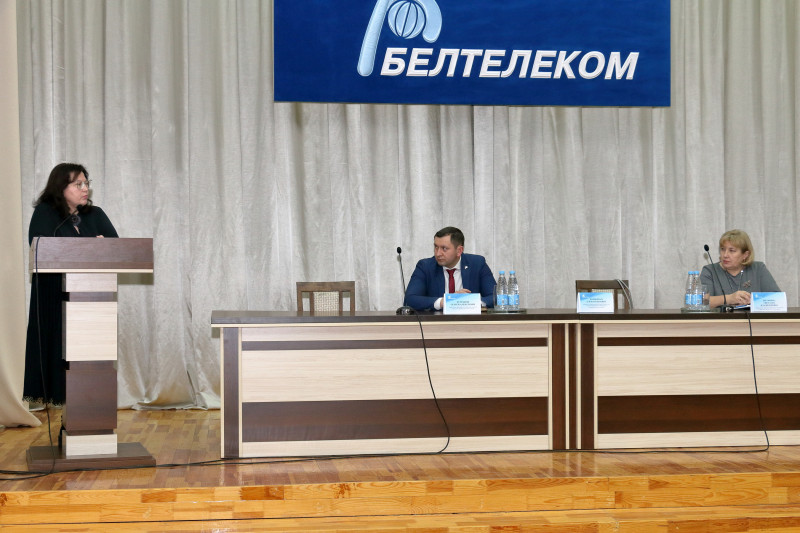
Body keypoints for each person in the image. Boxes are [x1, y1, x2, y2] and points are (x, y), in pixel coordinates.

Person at [24, 163, 118, 405]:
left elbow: (117, 248)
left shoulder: (95, 214)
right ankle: (66, 406)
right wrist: (90, 245)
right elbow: (41, 247)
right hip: (54, 294)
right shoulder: (46, 213)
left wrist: (102, 246)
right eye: (79, 184)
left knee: (90, 354)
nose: (85, 188)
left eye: (86, 183)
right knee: (59, 353)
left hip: (92, 296)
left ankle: (90, 406)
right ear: (61, 187)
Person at [403, 226, 496, 311]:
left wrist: (469, 301)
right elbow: (410, 300)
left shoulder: (477, 264)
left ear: (459, 250)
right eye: (436, 247)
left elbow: (496, 297)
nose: (438, 253)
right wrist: (445, 301)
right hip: (437, 322)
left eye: (444, 248)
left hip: (470, 322)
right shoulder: (425, 266)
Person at [700, 229, 780, 309]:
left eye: (732, 250)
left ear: (745, 254)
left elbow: (777, 299)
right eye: (723, 249)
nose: (725, 255)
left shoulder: (758, 269)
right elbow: (702, 302)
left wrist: (752, 300)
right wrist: (729, 299)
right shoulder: (709, 271)